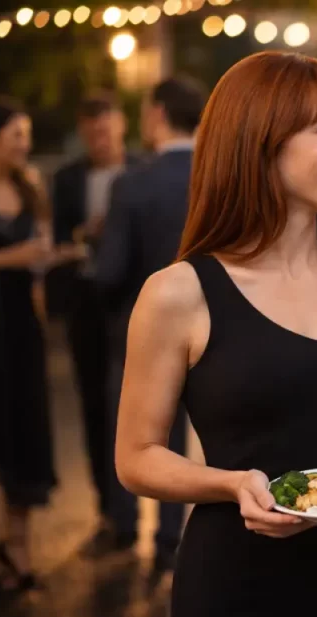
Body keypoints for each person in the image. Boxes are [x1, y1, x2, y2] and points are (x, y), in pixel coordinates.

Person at [113, 52, 317, 617]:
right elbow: (136, 456)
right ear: (259, 144)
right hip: (236, 602)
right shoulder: (178, 293)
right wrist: (230, 483)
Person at [0, 98, 81, 592]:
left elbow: (37, 259)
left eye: (27, 135)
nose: (24, 145)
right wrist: (10, 256)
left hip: (20, 328)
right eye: (16, 135)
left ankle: (19, 542)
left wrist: (58, 257)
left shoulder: (30, 189)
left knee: (22, 430)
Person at [93, 76, 206, 571]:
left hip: (143, 329)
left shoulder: (134, 182)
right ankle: (171, 539)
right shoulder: (219, 175)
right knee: (191, 434)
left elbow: (111, 272)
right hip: (214, 326)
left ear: (158, 114)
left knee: (139, 436)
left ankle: (126, 524)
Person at [50, 92, 140, 547]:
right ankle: (108, 508)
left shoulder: (143, 170)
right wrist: (88, 233)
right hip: (85, 299)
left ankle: (136, 509)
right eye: (91, 134)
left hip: (132, 301)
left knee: (134, 407)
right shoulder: (67, 179)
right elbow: (55, 236)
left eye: (105, 130)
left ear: (120, 126)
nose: (99, 140)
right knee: (91, 404)